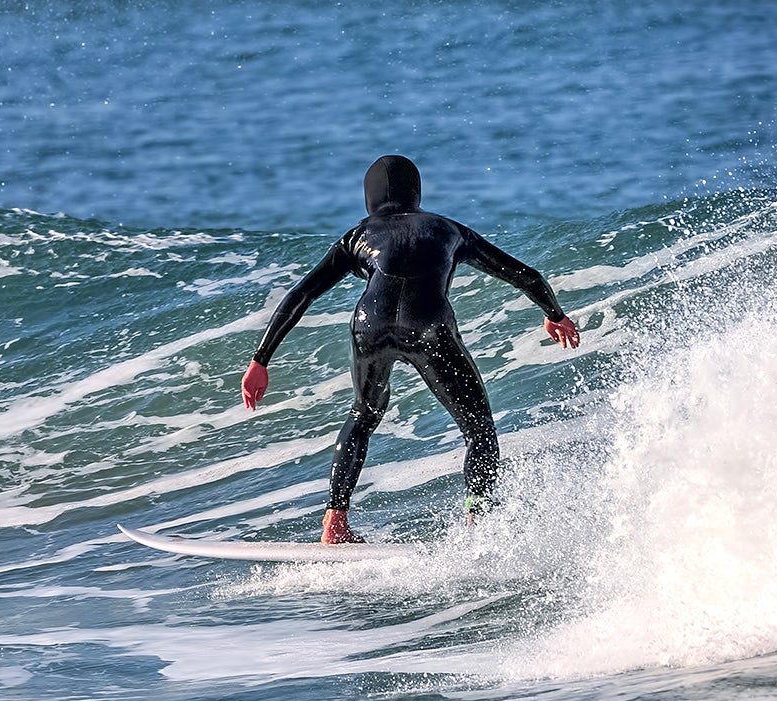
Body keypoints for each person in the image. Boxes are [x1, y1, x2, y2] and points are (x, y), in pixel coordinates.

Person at [239, 155, 580, 544]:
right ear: (416, 193)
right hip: (428, 326)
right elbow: (523, 274)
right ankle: (479, 521)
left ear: (369, 198)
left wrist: (260, 360)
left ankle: (335, 521)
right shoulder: (449, 230)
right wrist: (555, 314)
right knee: (479, 430)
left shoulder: (357, 236)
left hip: (370, 327)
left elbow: (302, 294)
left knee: (363, 415)